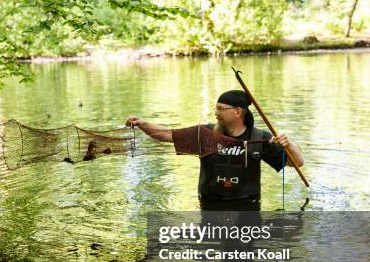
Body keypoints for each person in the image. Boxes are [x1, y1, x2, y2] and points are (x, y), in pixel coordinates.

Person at [126, 90, 304, 210]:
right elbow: (166, 135)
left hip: (247, 206)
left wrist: (289, 144)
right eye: (215, 108)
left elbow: (296, 162)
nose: (216, 113)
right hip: (209, 204)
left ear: (238, 112)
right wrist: (142, 123)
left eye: (221, 109)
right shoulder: (206, 134)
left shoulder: (260, 138)